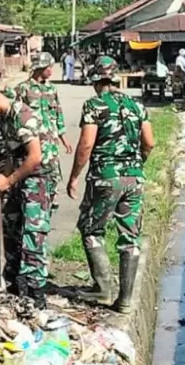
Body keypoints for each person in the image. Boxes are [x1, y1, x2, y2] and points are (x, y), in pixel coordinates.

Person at [65, 56, 155, 312]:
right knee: (130, 236)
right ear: (115, 78)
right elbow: (149, 142)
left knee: (92, 229)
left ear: (96, 80)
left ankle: (103, 289)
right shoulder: (137, 106)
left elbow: (86, 145)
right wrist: (137, 164)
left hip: (106, 177)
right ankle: (125, 300)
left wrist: (74, 176)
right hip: (134, 178)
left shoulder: (94, 105)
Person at [0, 80, 51, 307]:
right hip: (20, 176)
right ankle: (14, 281)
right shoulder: (4, 119)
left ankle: (35, 290)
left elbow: (35, 157)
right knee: (10, 226)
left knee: (33, 233)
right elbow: (13, 156)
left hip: (38, 178)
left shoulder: (23, 116)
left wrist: (9, 180)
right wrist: (0, 180)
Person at [14, 52, 73, 210]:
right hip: (33, 143)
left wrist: (64, 139)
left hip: (51, 144)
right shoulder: (23, 89)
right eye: (48, 67)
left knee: (53, 175)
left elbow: (58, 114)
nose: (51, 71)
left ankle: (49, 203)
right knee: (33, 176)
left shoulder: (51, 89)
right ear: (40, 68)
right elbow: (15, 116)